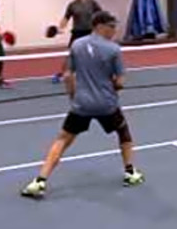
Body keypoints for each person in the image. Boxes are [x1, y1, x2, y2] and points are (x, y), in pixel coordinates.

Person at [21, 11, 145, 199]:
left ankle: (40, 181)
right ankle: (130, 173)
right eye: (112, 26)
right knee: (124, 133)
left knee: (62, 140)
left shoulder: (77, 45)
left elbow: (68, 75)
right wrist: (110, 88)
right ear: (100, 25)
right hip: (107, 105)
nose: (114, 30)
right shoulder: (113, 50)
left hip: (81, 104)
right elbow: (120, 82)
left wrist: (73, 97)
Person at [52, 0, 102, 83]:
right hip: (77, 33)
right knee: (72, 54)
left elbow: (100, 14)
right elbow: (66, 18)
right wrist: (60, 28)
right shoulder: (72, 5)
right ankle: (63, 74)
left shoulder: (92, 3)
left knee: (94, 54)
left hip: (90, 32)